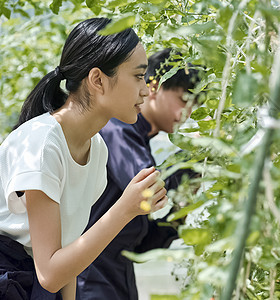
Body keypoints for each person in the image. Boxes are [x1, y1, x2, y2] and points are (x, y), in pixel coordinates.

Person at [0, 18, 168, 300]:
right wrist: (124, 209)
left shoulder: (96, 148)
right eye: (139, 76)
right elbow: (50, 274)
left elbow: (67, 257)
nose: (146, 90)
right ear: (98, 80)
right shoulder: (42, 144)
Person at [77, 48, 200, 300]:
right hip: (89, 277)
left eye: (195, 105)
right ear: (153, 87)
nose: (187, 113)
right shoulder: (117, 129)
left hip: (114, 275)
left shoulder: (139, 140)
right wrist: (196, 157)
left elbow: (142, 246)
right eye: (184, 99)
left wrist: (179, 213)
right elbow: (147, 191)